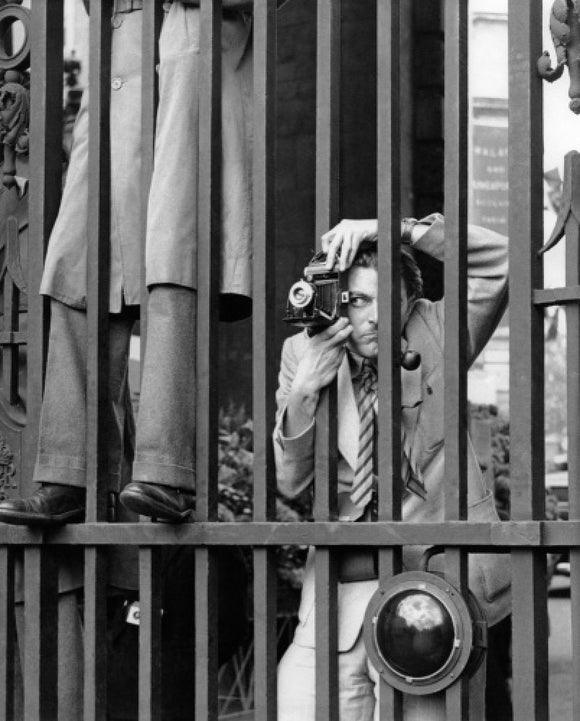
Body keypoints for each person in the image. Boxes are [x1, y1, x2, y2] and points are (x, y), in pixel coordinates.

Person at [0, 0, 258, 526]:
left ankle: (166, 472)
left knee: (173, 259)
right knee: (78, 265)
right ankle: (69, 475)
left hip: (188, 58)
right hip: (118, 78)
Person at [274, 214, 512, 721]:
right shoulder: (302, 350)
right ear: (336, 302)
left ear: (408, 302)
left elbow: (501, 264)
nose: (374, 317)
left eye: (387, 299)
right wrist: (304, 392)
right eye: (358, 301)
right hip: (339, 591)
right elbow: (290, 483)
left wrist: (392, 227)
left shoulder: (436, 329)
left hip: (435, 588)